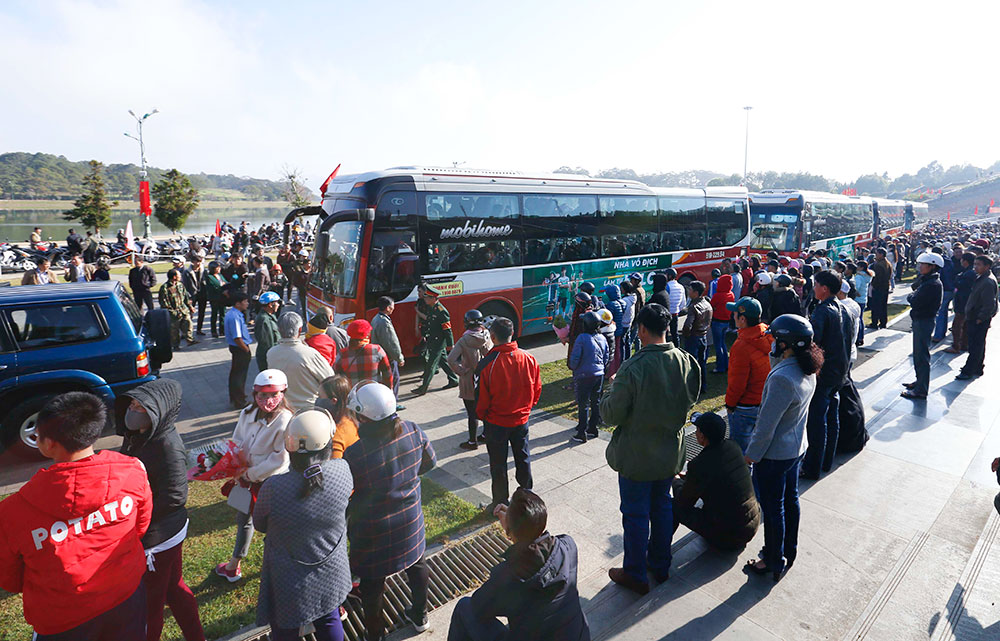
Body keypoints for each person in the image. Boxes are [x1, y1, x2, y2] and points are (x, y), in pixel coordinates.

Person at [0, 392, 152, 640]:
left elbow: (9, 578)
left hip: (62, 618)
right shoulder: (132, 471)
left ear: (49, 444)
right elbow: (140, 527)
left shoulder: (12, 512)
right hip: (125, 597)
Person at [601, 303, 701, 594]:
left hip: (637, 457)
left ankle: (635, 573)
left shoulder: (633, 366)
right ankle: (660, 564)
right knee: (661, 508)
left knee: (635, 515)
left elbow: (611, 415)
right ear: (667, 328)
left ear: (641, 329)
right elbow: (691, 399)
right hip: (670, 453)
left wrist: (611, 388)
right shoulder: (686, 360)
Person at [343, 382, 437, 640]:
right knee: (417, 567)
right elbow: (430, 463)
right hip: (410, 523)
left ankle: (375, 635)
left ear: (363, 417)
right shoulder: (412, 430)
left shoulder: (355, 454)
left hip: (373, 533)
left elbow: (345, 494)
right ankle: (419, 616)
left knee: (373, 586)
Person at [254, 409, 353, 641]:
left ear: (290, 447)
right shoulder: (343, 470)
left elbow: (260, 523)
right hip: (331, 566)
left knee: (284, 626)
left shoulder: (274, 487)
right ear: (328, 443)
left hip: (289, 575)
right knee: (329, 618)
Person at [119, 379, 206, 641]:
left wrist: (138, 521)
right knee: (173, 588)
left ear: (159, 411)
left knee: (150, 603)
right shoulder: (140, 435)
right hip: (157, 532)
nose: (132, 411)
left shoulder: (168, 447)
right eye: (131, 404)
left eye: (139, 407)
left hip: (158, 537)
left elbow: (175, 497)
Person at [448, 488, 591, 641]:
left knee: (464, 607)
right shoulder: (567, 546)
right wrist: (514, 523)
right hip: (578, 635)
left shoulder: (509, 577)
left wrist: (511, 529)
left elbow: (479, 606)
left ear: (510, 533)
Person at [744, 314, 821, 582]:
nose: (772, 343)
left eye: (776, 339)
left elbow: (766, 426)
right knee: (791, 501)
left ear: (786, 344)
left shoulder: (782, 379)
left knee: (774, 508)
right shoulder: (805, 367)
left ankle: (772, 559)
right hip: (795, 448)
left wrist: (750, 456)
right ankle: (790, 551)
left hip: (775, 455)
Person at [215, 370, 292, 582]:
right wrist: (233, 465)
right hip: (244, 478)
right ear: (254, 394)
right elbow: (238, 439)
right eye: (261, 395)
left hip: (270, 482)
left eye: (273, 395)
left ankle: (279, 565)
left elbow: (279, 460)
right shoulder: (247, 413)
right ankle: (234, 564)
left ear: (283, 393)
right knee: (243, 519)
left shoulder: (285, 421)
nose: (267, 400)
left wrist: (250, 474)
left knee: (275, 524)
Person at [476, 316, 542, 507]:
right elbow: (537, 389)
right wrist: (527, 409)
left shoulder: (487, 364)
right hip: (521, 420)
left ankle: (500, 503)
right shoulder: (528, 358)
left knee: (498, 465)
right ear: (512, 334)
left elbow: (481, 400)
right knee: (523, 457)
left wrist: (485, 418)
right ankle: (527, 497)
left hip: (497, 423)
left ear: (493, 336)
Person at [672, 412, 760, 550]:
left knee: (673, 507)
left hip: (730, 537)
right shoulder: (733, 447)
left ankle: (656, 554)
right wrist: (689, 478)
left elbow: (683, 501)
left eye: (697, 429)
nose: (695, 433)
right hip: (751, 523)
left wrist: (676, 480)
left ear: (702, 436)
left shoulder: (700, 465)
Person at [802, 270, 852, 479]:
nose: (813, 288)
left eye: (816, 285)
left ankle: (812, 467)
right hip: (840, 373)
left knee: (817, 421)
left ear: (824, 288)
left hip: (824, 375)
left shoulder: (822, 311)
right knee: (832, 417)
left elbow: (813, 344)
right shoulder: (845, 309)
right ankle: (826, 461)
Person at [724, 297, 774, 453]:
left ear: (743, 319)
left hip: (745, 408)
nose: (733, 317)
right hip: (765, 402)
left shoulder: (741, 346)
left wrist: (730, 404)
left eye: (735, 314)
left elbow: (737, 383)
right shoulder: (768, 334)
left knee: (741, 454)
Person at [267, 311, 335, 411]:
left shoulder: (271, 353)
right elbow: (330, 379)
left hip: (282, 409)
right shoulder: (310, 353)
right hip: (308, 410)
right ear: (299, 330)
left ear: (279, 330)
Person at [449, 309, 494, 450]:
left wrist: (462, 371)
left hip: (469, 380)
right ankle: (486, 435)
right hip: (486, 378)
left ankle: (472, 442)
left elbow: (451, 359)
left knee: (472, 413)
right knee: (486, 408)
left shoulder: (463, 340)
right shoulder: (487, 335)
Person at [901, 253, 944, 400]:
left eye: (923, 265)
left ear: (932, 266)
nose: (920, 267)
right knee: (918, 354)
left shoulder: (931, 284)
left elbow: (914, 299)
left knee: (921, 355)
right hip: (922, 320)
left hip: (924, 321)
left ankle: (921, 389)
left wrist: (911, 296)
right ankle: (919, 381)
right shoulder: (928, 281)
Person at [569, 310, 609, 443]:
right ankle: (593, 428)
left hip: (584, 375)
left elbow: (575, 358)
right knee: (595, 401)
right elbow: (606, 356)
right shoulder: (602, 338)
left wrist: (574, 368)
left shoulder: (582, 338)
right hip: (599, 374)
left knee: (583, 404)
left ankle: (581, 433)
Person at [957, 255, 999, 380]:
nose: (975, 267)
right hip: (975, 316)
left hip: (978, 318)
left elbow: (988, 304)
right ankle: (977, 367)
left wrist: (980, 318)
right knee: (978, 344)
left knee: (975, 345)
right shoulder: (981, 278)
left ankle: (968, 370)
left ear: (987, 267)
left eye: (978, 265)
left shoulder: (987, 282)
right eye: (975, 264)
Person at [412, 286, 460, 396]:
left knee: (431, 365)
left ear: (434, 298)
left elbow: (447, 330)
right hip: (432, 339)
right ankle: (453, 380)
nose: (425, 300)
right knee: (443, 361)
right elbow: (429, 322)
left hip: (438, 341)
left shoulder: (442, 312)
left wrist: (450, 345)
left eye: (427, 298)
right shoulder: (431, 308)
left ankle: (423, 388)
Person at [334, 319, 393, 389]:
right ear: (367, 334)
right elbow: (387, 374)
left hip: (353, 395)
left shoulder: (342, 354)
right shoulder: (377, 350)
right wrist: (388, 390)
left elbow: (337, 376)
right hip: (374, 392)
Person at [315, 375, 360, 458]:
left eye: (320, 397)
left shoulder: (336, 436)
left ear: (333, 401)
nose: (317, 400)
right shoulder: (352, 421)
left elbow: (334, 466)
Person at [680, 280, 712, 394]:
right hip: (703, 337)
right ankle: (703, 386)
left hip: (693, 338)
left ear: (696, 292)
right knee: (702, 363)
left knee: (692, 364)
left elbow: (688, 325)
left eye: (690, 290)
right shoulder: (707, 304)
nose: (688, 291)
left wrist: (685, 335)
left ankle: (692, 388)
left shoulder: (694, 306)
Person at [371, 296, 405, 400]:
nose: (393, 309)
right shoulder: (384, 322)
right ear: (388, 308)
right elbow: (391, 342)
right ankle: (393, 402)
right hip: (388, 357)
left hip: (379, 355)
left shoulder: (376, 318)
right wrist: (399, 357)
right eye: (392, 307)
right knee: (394, 379)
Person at [225, 292, 254, 408]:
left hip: (238, 347)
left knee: (237, 373)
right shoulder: (235, 317)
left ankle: (237, 397)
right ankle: (239, 400)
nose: (247, 304)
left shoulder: (233, 314)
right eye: (245, 302)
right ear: (238, 304)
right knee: (239, 375)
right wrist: (246, 349)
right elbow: (237, 337)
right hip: (240, 348)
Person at [159, 269, 199, 349]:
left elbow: (186, 297)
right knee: (174, 330)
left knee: (188, 324)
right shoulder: (165, 288)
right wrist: (173, 312)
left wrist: (190, 307)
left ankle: (190, 340)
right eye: (179, 275)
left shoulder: (180, 285)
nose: (180, 277)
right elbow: (164, 303)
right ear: (174, 277)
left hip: (183, 310)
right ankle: (175, 345)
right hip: (173, 313)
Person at [946, 252, 977, 354]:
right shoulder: (970, 271)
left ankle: (956, 346)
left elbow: (960, 284)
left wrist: (957, 279)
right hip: (965, 301)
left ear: (965, 261)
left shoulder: (969, 273)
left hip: (963, 301)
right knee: (964, 325)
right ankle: (964, 344)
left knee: (957, 326)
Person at [710, 271, 735, 373]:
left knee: (718, 345)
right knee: (723, 344)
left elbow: (712, 305)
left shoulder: (718, 295)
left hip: (717, 322)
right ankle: (726, 364)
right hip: (726, 321)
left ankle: (720, 367)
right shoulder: (731, 294)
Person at [254, 291, 282, 371]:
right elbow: (267, 343)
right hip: (268, 357)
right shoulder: (264, 320)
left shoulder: (269, 315)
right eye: (276, 303)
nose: (278, 305)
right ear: (270, 305)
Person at [184, 256, 208, 336]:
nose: (198, 264)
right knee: (189, 314)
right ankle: (188, 331)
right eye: (197, 262)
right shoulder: (187, 272)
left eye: (200, 262)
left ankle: (199, 329)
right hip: (192, 295)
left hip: (202, 294)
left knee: (202, 312)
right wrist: (188, 297)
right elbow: (185, 285)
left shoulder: (204, 271)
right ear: (192, 262)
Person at [869, 248, 892, 329]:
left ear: (881, 254)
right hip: (885, 287)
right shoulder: (887, 263)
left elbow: (877, 278)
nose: (876, 255)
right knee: (883, 306)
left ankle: (874, 323)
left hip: (878, 287)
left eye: (877, 253)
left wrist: (873, 285)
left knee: (875, 306)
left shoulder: (878, 265)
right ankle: (883, 323)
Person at [663, 268, 686, 346]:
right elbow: (683, 303)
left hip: (667, 313)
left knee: (664, 335)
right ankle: (677, 349)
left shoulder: (667, 286)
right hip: (675, 313)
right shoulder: (681, 287)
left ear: (669, 276)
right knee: (675, 334)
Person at [205, 261, 227, 338]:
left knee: (223, 314)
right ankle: (214, 331)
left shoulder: (220, 275)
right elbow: (213, 287)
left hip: (222, 298)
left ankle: (222, 330)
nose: (219, 269)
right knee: (214, 314)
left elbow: (225, 282)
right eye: (217, 268)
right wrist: (222, 288)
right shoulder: (209, 277)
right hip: (214, 298)